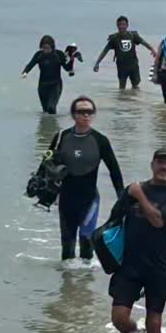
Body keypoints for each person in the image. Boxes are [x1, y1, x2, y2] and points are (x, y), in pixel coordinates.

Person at [107, 147, 166, 333]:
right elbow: (113, 220)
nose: (164, 167)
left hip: (158, 267)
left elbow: (159, 222)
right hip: (129, 265)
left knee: (154, 323)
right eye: (160, 162)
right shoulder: (133, 190)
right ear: (152, 165)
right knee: (119, 318)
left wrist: (139, 196)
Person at [50, 96, 124, 260]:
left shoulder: (100, 140)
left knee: (86, 241)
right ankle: (67, 277)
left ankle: (86, 275)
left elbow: (114, 171)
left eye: (90, 112)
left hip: (89, 199)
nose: (86, 115)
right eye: (81, 112)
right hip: (66, 199)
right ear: (73, 114)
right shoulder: (61, 137)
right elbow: (46, 165)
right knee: (67, 246)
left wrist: (122, 198)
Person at [93, 16, 157, 89]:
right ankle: (122, 96)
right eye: (120, 25)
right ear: (117, 26)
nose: (122, 26)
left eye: (123, 24)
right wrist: (97, 63)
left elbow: (144, 43)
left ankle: (134, 96)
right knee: (122, 87)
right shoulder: (114, 38)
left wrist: (153, 50)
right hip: (121, 66)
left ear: (127, 25)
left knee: (136, 84)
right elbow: (105, 51)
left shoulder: (133, 36)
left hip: (133, 65)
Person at [22, 35, 73, 114]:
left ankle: (53, 121)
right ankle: (47, 122)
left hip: (55, 85)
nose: (45, 50)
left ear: (52, 47)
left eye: (47, 48)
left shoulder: (59, 54)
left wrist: (72, 60)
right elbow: (30, 64)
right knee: (45, 110)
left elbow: (67, 68)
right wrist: (25, 72)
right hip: (42, 86)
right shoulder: (39, 55)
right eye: (43, 48)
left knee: (51, 108)